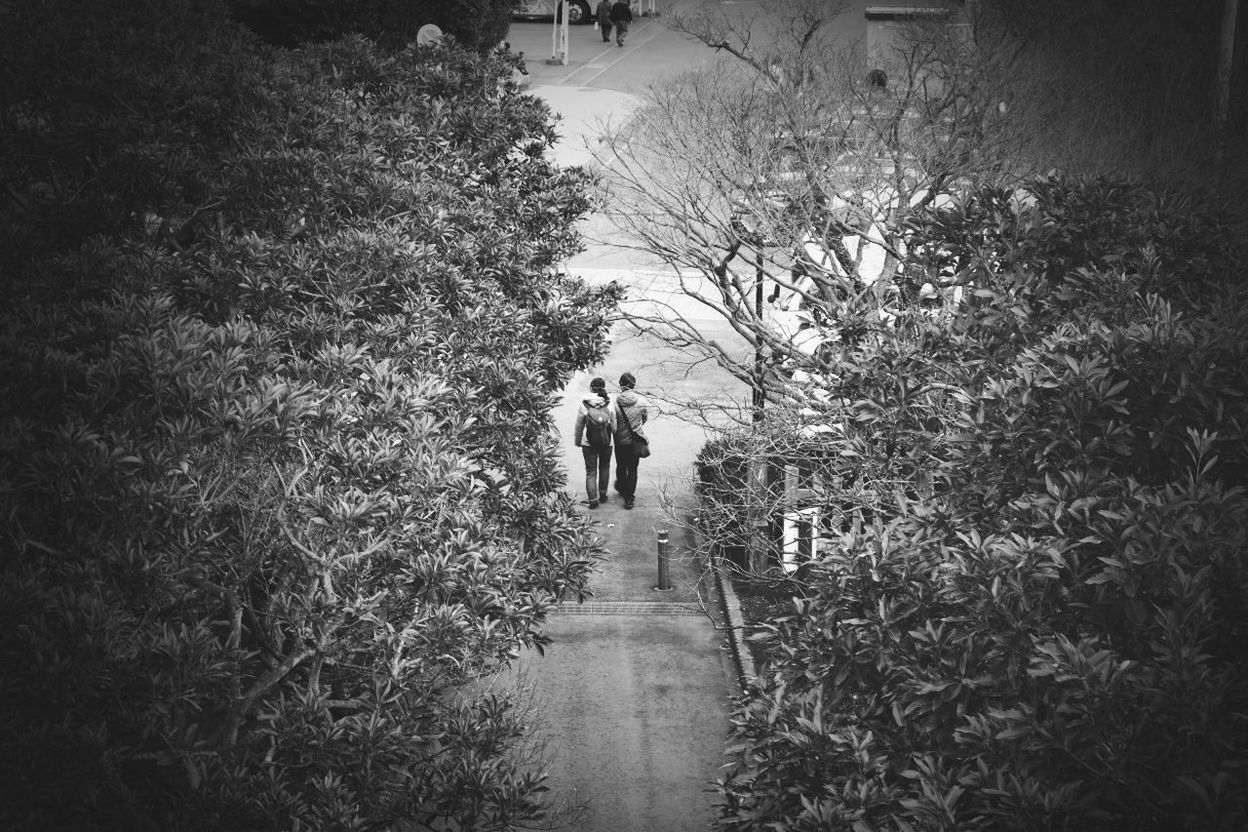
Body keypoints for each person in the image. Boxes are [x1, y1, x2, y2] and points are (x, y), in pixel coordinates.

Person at [574, 377, 616, 509]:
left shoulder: (584, 403)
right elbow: (614, 425)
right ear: (604, 388)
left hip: (588, 443)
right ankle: (603, 495)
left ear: (591, 388)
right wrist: (612, 434)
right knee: (605, 467)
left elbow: (579, 425)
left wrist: (578, 441)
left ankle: (593, 500)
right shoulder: (609, 402)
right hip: (606, 442)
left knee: (591, 472)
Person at [612, 372, 648, 509]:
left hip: (620, 441)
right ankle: (629, 498)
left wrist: (618, 432)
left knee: (621, 466)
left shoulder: (615, 403)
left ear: (621, 385)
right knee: (633, 469)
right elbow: (644, 418)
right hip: (635, 441)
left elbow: (613, 424)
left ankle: (621, 489)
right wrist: (637, 427)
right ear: (633, 385)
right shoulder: (641, 402)